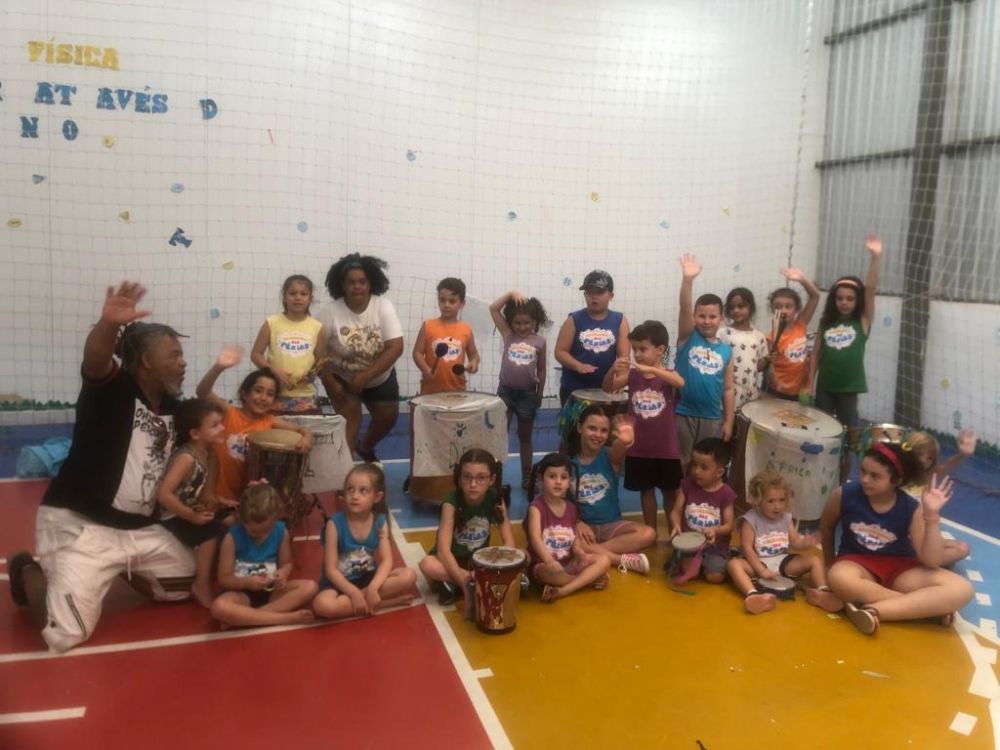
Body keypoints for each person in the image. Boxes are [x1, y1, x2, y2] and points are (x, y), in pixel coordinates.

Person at [7, 281, 196, 652]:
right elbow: (95, 362)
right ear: (146, 362)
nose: (183, 361)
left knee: (186, 584)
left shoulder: (173, 408)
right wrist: (108, 325)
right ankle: (25, 569)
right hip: (81, 524)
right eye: (174, 354)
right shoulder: (112, 390)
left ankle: (117, 568)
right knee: (66, 634)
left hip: (137, 529)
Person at [820, 443, 975, 635]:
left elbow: (931, 561)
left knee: (962, 588)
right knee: (839, 577)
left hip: (900, 568)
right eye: (863, 471)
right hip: (855, 563)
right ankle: (923, 611)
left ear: (897, 480)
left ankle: (875, 610)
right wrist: (828, 563)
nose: (865, 479)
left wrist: (931, 515)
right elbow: (827, 527)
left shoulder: (911, 508)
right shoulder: (844, 494)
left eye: (875, 476)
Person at [196, 345, 312, 505]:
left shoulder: (270, 421)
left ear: (274, 401)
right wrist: (219, 367)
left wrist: (306, 438)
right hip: (217, 497)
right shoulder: (229, 413)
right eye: (258, 391)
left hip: (248, 502)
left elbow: (302, 430)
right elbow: (202, 392)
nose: (263, 398)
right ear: (244, 393)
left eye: (270, 394)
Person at [316, 253, 404, 463]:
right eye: (351, 282)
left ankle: (365, 447)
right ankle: (343, 473)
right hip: (341, 378)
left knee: (387, 420)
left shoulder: (383, 306)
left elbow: (396, 347)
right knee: (350, 425)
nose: (357, 286)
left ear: (370, 283)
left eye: (362, 281)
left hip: (379, 376)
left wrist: (364, 377)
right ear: (342, 285)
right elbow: (317, 353)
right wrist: (330, 382)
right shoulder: (329, 313)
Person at [602, 320, 684, 533]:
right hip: (639, 448)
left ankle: (674, 532)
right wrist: (612, 370)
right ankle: (651, 532)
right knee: (646, 491)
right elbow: (608, 388)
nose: (637, 354)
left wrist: (653, 370)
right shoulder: (633, 375)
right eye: (634, 349)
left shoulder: (669, 375)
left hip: (666, 449)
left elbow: (680, 382)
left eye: (643, 349)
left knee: (670, 492)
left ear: (660, 350)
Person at [727, 470, 843, 614]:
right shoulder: (750, 519)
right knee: (734, 565)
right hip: (758, 562)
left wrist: (805, 543)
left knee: (814, 561)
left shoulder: (786, 518)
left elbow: (794, 541)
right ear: (758, 500)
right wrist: (761, 570)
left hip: (783, 561)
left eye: (781, 500)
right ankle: (753, 594)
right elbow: (747, 548)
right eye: (771, 501)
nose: (777, 506)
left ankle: (822, 592)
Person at [313, 464, 416, 619]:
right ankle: (381, 603)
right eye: (350, 489)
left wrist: (373, 588)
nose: (355, 496)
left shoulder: (379, 521)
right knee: (323, 605)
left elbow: (387, 561)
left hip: (367, 578)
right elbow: (331, 570)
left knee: (409, 575)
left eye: (363, 491)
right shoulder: (334, 524)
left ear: (377, 497)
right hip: (339, 582)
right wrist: (353, 593)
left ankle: (361, 602)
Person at [210, 482, 317, 628]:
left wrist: (283, 573)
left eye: (267, 530)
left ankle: (246, 618)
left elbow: (287, 563)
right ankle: (283, 618)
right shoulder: (231, 538)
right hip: (241, 594)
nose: (261, 535)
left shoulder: (281, 532)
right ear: (242, 521)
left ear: (275, 520)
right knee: (219, 607)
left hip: (271, 591)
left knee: (310, 587)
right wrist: (247, 582)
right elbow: (224, 579)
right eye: (253, 531)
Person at [419, 449, 515, 608]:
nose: (473, 484)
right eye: (467, 477)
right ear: (459, 478)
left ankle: (450, 584)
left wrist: (499, 568)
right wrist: (466, 584)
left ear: (492, 479)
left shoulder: (496, 498)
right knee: (427, 564)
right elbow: (443, 551)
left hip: (479, 562)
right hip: (450, 561)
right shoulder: (451, 503)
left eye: (481, 478)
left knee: (522, 557)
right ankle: (468, 583)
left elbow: (509, 542)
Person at [157, 398, 229, 608]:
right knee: (212, 532)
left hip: (189, 507)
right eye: (215, 425)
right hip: (172, 515)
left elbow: (205, 494)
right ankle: (201, 584)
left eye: (221, 423)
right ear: (195, 433)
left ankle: (225, 574)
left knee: (231, 520)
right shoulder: (186, 458)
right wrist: (191, 516)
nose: (222, 428)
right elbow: (164, 494)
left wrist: (222, 502)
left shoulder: (209, 454)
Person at [568, 405, 655, 573]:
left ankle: (592, 552)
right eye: (592, 428)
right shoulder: (568, 464)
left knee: (648, 533)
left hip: (612, 526)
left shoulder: (609, 456)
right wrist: (577, 522)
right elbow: (561, 503)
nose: (598, 435)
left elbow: (620, 447)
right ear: (580, 428)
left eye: (603, 431)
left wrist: (625, 439)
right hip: (584, 530)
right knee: (560, 538)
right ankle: (619, 559)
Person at [810, 235, 883, 427]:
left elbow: (870, 289)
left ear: (858, 301)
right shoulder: (826, 323)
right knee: (823, 427)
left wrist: (875, 258)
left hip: (849, 388)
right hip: (825, 386)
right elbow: (815, 355)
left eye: (850, 299)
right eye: (840, 298)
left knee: (847, 429)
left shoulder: (863, 321)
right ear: (833, 299)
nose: (844, 302)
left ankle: (846, 449)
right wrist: (809, 384)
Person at [525, 453, 611, 603]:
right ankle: (587, 581)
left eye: (563, 477)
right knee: (549, 574)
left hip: (568, 563)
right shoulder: (536, 507)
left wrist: (578, 550)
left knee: (604, 560)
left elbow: (573, 535)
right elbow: (535, 539)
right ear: (540, 478)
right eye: (552, 476)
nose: (558, 482)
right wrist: (549, 560)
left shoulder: (571, 508)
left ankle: (563, 590)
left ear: (569, 481)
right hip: (544, 565)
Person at [675, 255, 735, 464]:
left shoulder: (726, 351)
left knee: (705, 464)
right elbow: (684, 307)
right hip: (682, 413)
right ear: (694, 317)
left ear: (721, 319)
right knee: (682, 463)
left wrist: (728, 421)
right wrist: (687, 280)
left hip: (711, 417)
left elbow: (728, 389)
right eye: (702, 316)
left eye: (712, 316)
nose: (707, 321)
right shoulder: (687, 337)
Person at [490, 290, 549, 490]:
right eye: (517, 323)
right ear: (510, 322)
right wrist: (510, 295)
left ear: (534, 321)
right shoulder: (508, 334)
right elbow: (493, 309)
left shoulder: (540, 341)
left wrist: (540, 393)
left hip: (527, 395)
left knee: (525, 437)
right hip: (506, 392)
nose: (522, 327)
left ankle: (527, 476)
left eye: (527, 323)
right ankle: (495, 476)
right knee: (500, 435)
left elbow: (542, 369)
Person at [250, 274, 324, 414]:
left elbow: (320, 360)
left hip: (305, 395)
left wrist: (313, 373)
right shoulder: (271, 323)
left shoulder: (317, 327)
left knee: (303, 428)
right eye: (292, 293)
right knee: (275, 428)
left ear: (310, 299)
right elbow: (256, 354)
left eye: (303, 294)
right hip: (274, 393)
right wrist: (273, 370)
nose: (298, 297)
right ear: (284, 297)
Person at [555, 270, 630, 406]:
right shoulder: (573, 319)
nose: (594, 297)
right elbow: (560, 352)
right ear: (585, 295)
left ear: (611, 295)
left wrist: (620, 381)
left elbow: (623, 356)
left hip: (606, 389)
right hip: (574, 388)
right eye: (589, 292)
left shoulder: (620, 320)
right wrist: (578, 365)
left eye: (600, 292)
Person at [669, 438, 736, 583]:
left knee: (715, 577)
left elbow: (729, 525)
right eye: (694, 465)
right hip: (690, 544)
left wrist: (716, 531)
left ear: (719, 472)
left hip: (715, 547)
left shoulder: (726, 493)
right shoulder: (687, 485)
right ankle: (695, 563)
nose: (696, 471)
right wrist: (676, 524)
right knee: (687, 571)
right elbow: (676, 511)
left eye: (704, 467)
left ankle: (723, 562)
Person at [413, 277, 480, 394]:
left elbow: (474, 354)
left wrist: (474, 363)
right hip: (430, 391)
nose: (446, 305)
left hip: (458, 391)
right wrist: (426, 369)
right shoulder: (428, 326)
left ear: (462, 303)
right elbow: (417, 353)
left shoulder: (466, 329)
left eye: (452, 301)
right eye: (442, 300)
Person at [766, 267, 821, 401]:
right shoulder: (771, 337)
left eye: (788, 306)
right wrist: (778, 384)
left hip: (799, 391)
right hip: (777, 391)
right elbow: (769, 368)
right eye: (778, 307)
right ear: (772, 310)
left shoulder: (801, 323)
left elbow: (815, 296)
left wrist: (802, 279)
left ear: (796, 309)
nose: (783, 310)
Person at [719, 287, 768, 411]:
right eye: (732, 307)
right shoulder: (722, 333)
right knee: (727, 419)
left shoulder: (759, 336)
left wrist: (768, 360)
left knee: (745, 420)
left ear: (751, 308)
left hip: (750, 391)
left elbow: (758, 367)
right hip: (728, 390)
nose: (735, 310)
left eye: (741, 306)